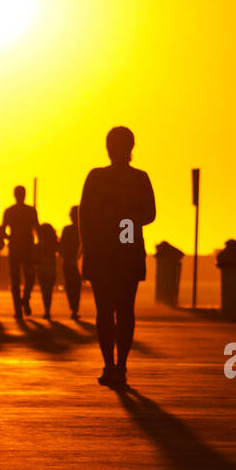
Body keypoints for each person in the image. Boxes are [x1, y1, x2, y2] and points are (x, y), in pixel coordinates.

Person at [80, 126, 155, 388]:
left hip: (116, 253)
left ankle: (116, 365)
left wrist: (119, 217)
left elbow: (148, 214)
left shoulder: (121, 178)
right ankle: (115, 365)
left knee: (115, 311)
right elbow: (86, 217)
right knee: (117, 311)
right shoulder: (110, 178)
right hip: (115, 252)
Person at [2, 185, 39, 318]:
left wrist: (10, 237)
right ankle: (20, 305)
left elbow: (3, 231)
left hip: (21, 248)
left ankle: (22, 302)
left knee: (22, 278)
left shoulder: (12, 211)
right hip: (24, 248)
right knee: (23, 277)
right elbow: (37, 229)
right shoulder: (28, 210)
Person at [59, 205, 83, 319]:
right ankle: (74, 308)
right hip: (74, 261)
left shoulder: (68, 229)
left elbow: (61, 245)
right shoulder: (82, 229)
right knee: (75, 286)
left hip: (71, 261)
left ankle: (73, 308)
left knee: (71, 286)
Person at [33, 223, 60, 320]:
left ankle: (47, 310)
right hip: (51, 268)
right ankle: (47, 310)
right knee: (49, 291)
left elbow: (35, 259)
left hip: (42, 269)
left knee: (45, 291)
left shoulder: (39, 245)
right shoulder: (54, 244)